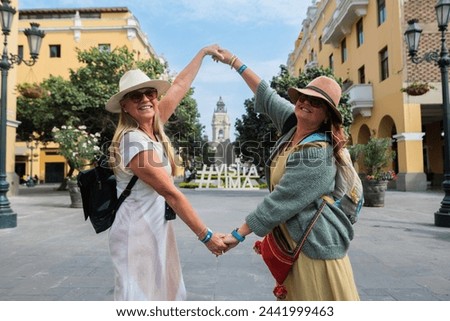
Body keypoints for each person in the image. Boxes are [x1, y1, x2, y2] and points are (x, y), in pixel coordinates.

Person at [214, 48, 360, 301]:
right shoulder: (294, 124)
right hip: (295, 241)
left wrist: (238, 234)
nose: (305, 102)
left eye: (316, 102)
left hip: (315, 247)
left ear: (327, 114)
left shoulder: (317, 152)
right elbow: (266, 95)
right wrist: (234, 62)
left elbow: (282, 201)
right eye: (303, 96)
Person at [105, 45, 227, 301]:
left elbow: (180, 85)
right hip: (136, 231)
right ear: (125, 106)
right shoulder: (133, 141)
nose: (145, 99)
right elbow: (171, 193)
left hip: (156, 226)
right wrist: (207, 236)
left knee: (164, 293)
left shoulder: (154, 126)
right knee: (139, 297)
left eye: (149, 93)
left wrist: (202, 53)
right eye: (135, 96)